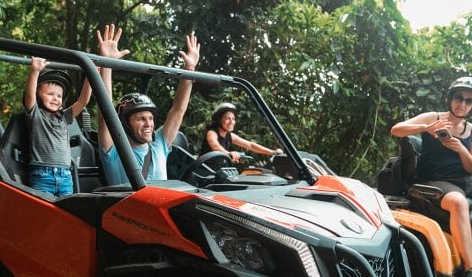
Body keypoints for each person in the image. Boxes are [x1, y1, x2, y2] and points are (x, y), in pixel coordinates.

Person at [390, 76, 472, 277]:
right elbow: (396, 130)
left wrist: (460, 149)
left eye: (469, 101)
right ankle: (471, 271)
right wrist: (427, 127)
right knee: (459, 203)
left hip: (466, 180)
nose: (463, 104)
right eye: (459, 98)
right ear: (450, 98)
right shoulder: (435, 117)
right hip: (435, 181)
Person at [96, 24, 200, 185]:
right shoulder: (114, 151)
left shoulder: (158, 144)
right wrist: (107, 64)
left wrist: (189, 69)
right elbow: (105, 112)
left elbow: (178, 110)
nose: (148, 124)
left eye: (150, 118)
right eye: (141, 119)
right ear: (125, 123)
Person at [24, 58, 92, 196]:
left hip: (66, 176)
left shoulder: (65, 117)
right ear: (38, 97)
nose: (55, 98)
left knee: (65, 215)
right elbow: (29, 95)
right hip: (42, 176)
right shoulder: (36, 115)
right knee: (43, 213)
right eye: (50, 94)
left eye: (59, 96)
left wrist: (90, 76)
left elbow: (83, 101)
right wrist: (35, 71)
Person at [199, 102, 283, 167]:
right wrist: (229, 153)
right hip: (203, 172)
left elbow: (250, 145)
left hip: (218, 171)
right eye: (227, 118)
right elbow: (215, 146)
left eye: (233, 119)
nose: (231, 122)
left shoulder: (229, 135)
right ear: (219, 119)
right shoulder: (212, 132)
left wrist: (272, 152)